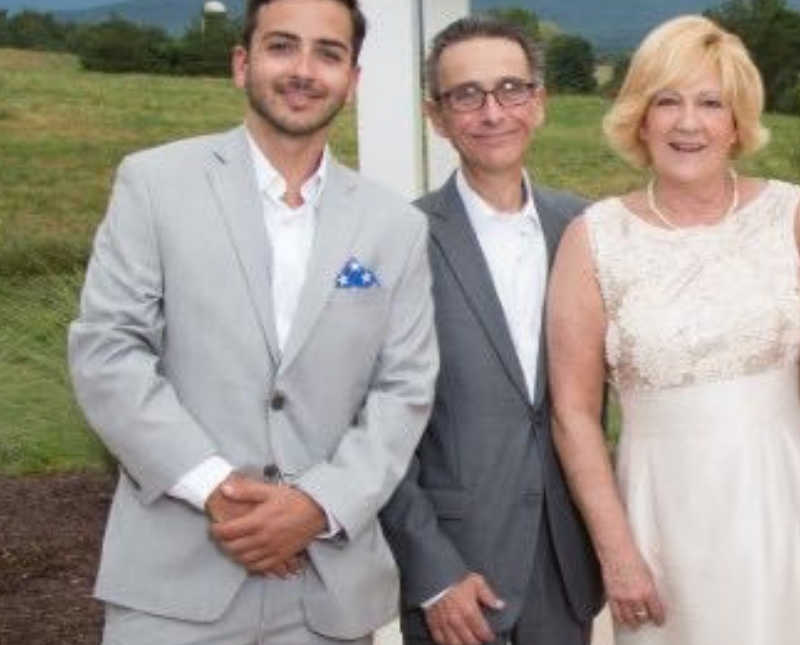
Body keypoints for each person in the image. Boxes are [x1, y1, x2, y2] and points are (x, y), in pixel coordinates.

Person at [67, 0, 438, 643]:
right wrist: (217, 489)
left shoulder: (395, 228)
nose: (303, 70)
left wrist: (316, 506)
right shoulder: (154, 183)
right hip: (175, 587)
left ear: (352, 83)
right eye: (282, 46)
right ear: (243, 64)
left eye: (328, 53)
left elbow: (404, 389)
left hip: (327, 594)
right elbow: (109, 351)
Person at [547, 14, 800, 645]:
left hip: (782, 506)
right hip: (662, 522)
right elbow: (574, 415)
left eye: (710, 103)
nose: (689, 123)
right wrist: (617, 551)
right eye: (668, 102)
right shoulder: (594, 239)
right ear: (640, 117)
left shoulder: (790, 217)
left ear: (737, 121)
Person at [380, 16, 603, 645]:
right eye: (466, 95)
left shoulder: (587, 228)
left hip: (566, 565)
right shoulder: (396, 240)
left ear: (539, 102)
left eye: (511, 89)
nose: (491, 112)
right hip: (457, 573)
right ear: (436, 115)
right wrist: (432, 573)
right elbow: (370, 423)